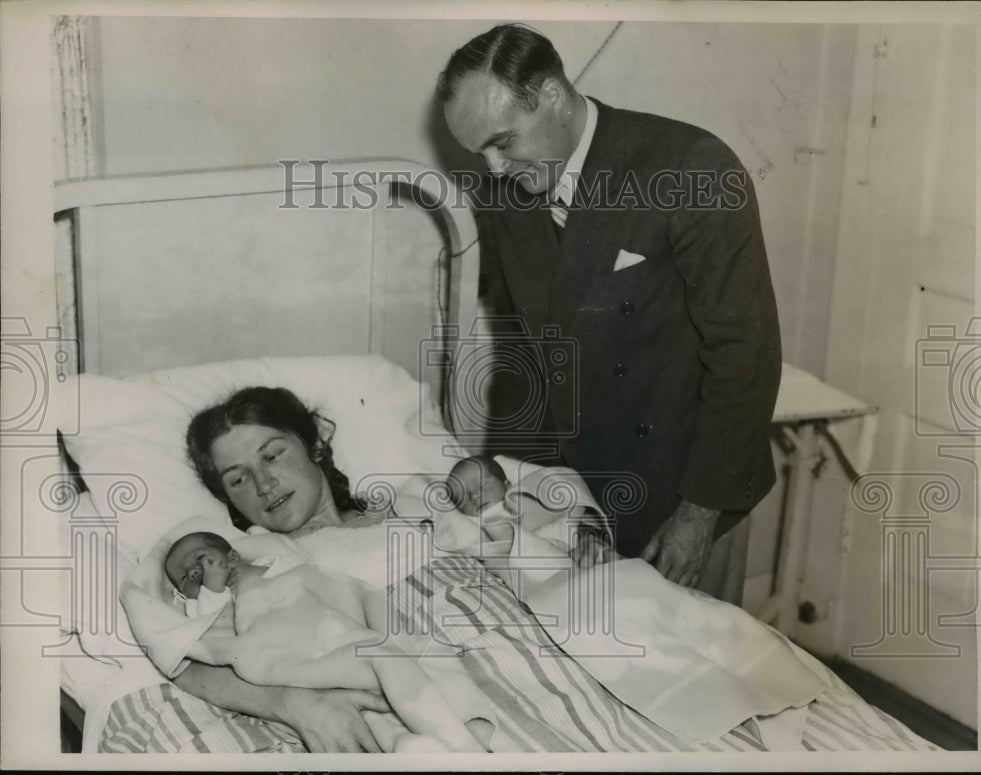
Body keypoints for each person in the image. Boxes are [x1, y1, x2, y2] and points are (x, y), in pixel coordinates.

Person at [438, 24, 782, 603]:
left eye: (504, 141)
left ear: (551, 95)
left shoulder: (692, 168)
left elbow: (745, 355)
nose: (494, 169)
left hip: (685, 490)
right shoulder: (506, 190)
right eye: (480, 153)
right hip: (569, 498)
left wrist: (697, 517)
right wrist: (508, 480)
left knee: (695, 678)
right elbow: (529, 351)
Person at [169, 385, 400, 751]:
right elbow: (184, 659)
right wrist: (292, 703)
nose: (263, 484)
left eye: (272, 455)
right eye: (239, 479)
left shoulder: (406, 509)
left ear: (315, 445)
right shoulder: (251, 563)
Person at [163, 530, 488, 753]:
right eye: (184, 577)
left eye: (200, 559)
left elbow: (341, 592)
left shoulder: (283, 570)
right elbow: (207, 632)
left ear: (233, 556)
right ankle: (461, 748)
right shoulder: (212, 605)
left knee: (378, 693)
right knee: (380, 660)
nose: (194, 572)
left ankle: (408, 745)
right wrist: (213, 588)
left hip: (327, 648)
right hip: (284, 663)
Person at [445, 454, 611, 568]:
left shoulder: (527, 500)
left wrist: (583, 536)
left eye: (483, 485)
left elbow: (568, 515)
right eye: (463, 498)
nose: (474, 496)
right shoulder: (472, 527)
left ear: (508, 485)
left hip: (576, 552)